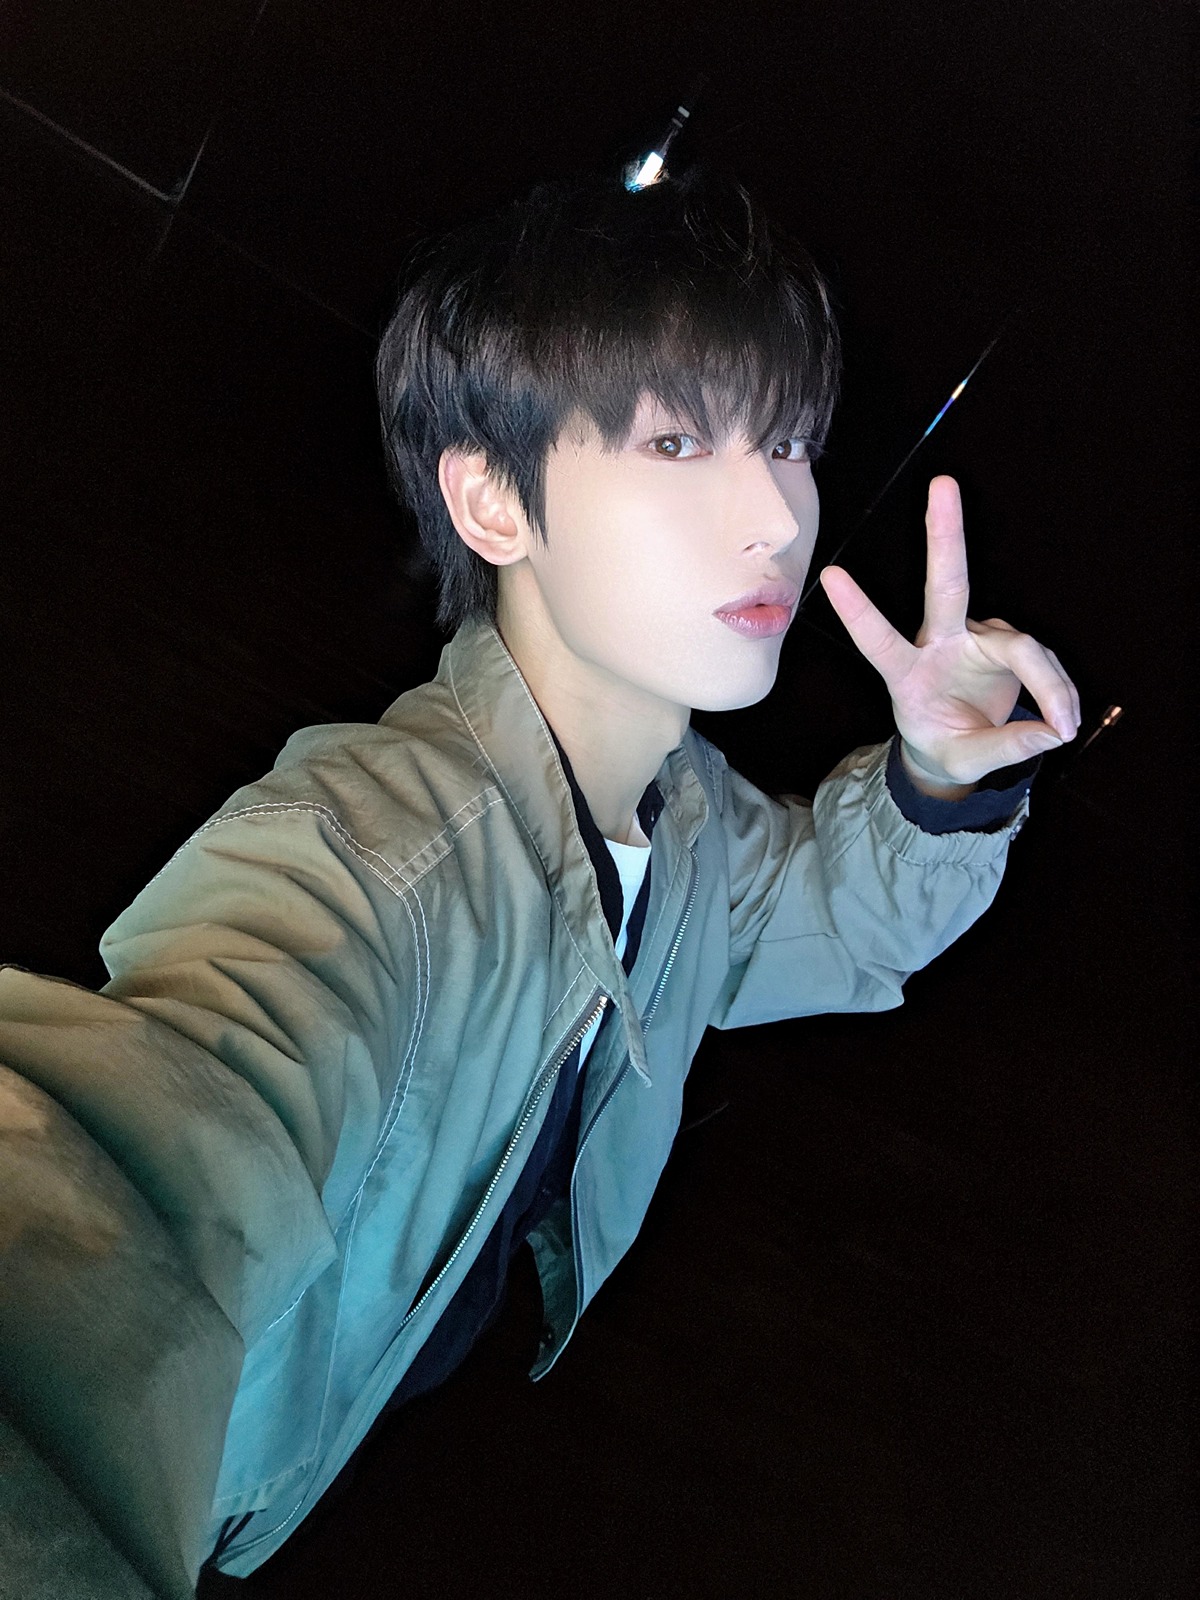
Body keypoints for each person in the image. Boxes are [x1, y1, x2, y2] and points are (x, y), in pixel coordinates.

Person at [0, 164, 1078, 1599]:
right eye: (678, 440)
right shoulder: (367, 852)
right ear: (494, 501)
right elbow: (125, 1166)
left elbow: (827, 912)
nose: (774, 514)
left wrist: (942, 780)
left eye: (790, 440)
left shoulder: (689, 824)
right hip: (202, 1502)